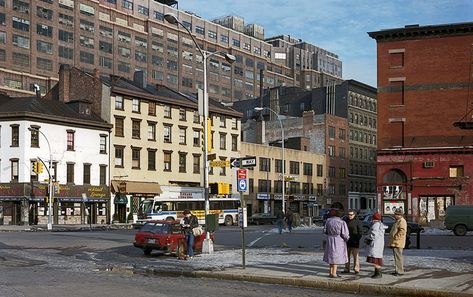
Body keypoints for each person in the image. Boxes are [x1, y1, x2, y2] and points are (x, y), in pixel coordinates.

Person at [323, 209, 350, 278]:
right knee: (335, 256)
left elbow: (325, 230)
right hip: (338, 240)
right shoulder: (342, 222)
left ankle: (330, 272)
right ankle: (334, 273)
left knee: (331, 256)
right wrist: (346, 239)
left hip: (330, 239)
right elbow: (345, 234)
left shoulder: (328, 221)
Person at [365, 212, 386, 278]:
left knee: (375, 259)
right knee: (377, 259)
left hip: (375, 244)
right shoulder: (381, 224)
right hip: (379, 244)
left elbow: (374, 234)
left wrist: (367, 237)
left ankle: (378, 273)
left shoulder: (376, 224)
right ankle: (377, 273)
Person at [342, 209, 363, 274]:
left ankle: (356, 269)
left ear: (354, 215)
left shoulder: (358, 222)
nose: (349, 216)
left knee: (355, 257)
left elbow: (360, 232)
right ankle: (346, 268)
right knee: (346, 256)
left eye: (351, 215)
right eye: (348, 214)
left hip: (355, 242)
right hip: (347, 242)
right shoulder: (345, 221)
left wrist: (357, 239)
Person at [388, 209, 407, 276]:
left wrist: (396, 237)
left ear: (399, 215)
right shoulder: (397, 221)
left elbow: (402, 231)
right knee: (396, 257)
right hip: (396, 242)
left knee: (398, 257)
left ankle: (400, 271)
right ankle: (397, 270)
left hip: (398, 242)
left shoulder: (402, 221)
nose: (394, 215)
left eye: (396, 214)